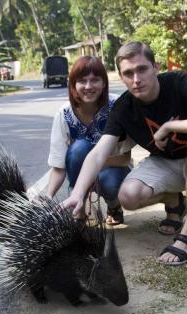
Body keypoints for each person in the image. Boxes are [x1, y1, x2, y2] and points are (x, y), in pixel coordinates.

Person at [62, 42, 187, 265]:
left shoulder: (179, 82)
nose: (136, 79)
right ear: (121, 77)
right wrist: (77, 194)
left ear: (155, 67)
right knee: (127, 196)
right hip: (166, 163)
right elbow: (98, 153)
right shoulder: (122, 108)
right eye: (128, 73)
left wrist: (169, 127)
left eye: (142, 69)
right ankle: (175, 199)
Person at [46, 55, 131, 225]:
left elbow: (124, 159)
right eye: (82, 81)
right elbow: (59, 166)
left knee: (109, 182)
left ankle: (114, 206)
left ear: (104, 83)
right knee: (78, 149)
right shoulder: (64, 114)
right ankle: (79, 208)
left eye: (94, 80)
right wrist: (48, 197)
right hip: (77, 172)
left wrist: (92, 163)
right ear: (73, 85)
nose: (88, 86)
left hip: (113, 170)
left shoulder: (117, 107)